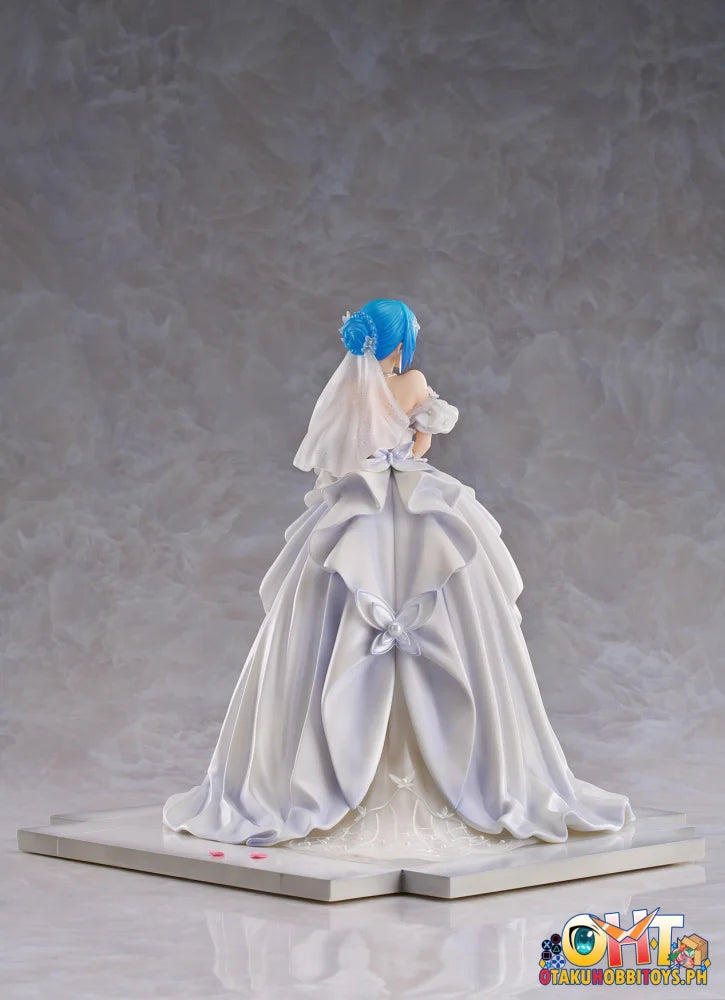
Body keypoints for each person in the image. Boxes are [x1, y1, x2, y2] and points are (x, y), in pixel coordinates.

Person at [162, 299, 634, 859]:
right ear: (401, 340)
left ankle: (315, 768)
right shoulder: (413, 382)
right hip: (416, 505)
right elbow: (421, 444)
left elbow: (339, 459)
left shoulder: (349, 391)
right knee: (450, 591)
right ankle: (468, 766)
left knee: (328, 610)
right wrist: (408, 442)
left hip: (356, 508)